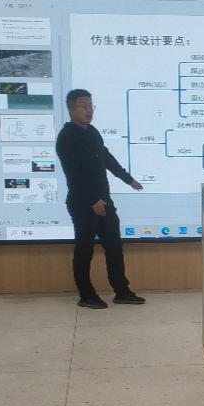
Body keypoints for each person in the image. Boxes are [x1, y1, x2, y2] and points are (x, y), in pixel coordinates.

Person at [55, 88, 146, 309]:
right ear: (71, 110)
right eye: (83, 106)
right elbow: (73, 175)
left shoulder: (93, 132)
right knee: (84, 250)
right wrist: (93, 201)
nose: (89, 110)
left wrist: (128, 179)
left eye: (90, 105)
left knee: (114, 247)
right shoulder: (66, 138)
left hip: (104, 200)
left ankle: (121, 291)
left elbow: (107, 158)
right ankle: (86, 295)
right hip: (82, 203)